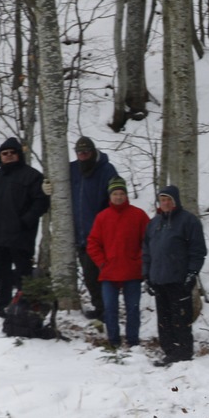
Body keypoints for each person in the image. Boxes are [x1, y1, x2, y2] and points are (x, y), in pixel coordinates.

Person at [0, 138, 49, 316]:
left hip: (19, 236)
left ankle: (27, 306)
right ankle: (3, 307)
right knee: (1, 275)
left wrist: (25, 221)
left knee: (24, 274)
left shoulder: (32, 176)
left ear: (19, 155)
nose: (8, 156)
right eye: (4, 153)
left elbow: (41, 202)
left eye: (12, 153)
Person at [142, 186, 207, 366]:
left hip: (179, 279)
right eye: (163, 199)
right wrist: (147, 275)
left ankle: (183, 352)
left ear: (176, 201)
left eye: (169, 199)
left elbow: (198, 250)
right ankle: (169, 351)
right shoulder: (154, 224)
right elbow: (146, 251)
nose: (166, 203)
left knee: (180, 317)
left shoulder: (189, 221)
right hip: (158, 279)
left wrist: (192, 273)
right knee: (164, 319)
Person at [87, 177, 149, 348]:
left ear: (126, 195)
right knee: (110, 309)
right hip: (109, 272)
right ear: (110, 196)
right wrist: (101, 263)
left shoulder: (138, 215)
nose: (119, 197)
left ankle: (133, 341)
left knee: (132, 309)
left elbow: (149, 241)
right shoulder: (102, 217)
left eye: (122, 193)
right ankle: (113, 341)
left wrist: (139, 261)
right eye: (115, 194)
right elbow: (92, 243)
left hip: (132, 271)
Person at [69, 136, 119, 319]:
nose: (83, 155)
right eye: (80, 152)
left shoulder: (106, 170)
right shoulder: (72, 169)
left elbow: (116, 198)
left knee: (98, 275)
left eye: (86, 152)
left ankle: (106, 310)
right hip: (79, 234)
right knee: (89, 276)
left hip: (100, 234)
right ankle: (101, 308)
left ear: (93, 152)